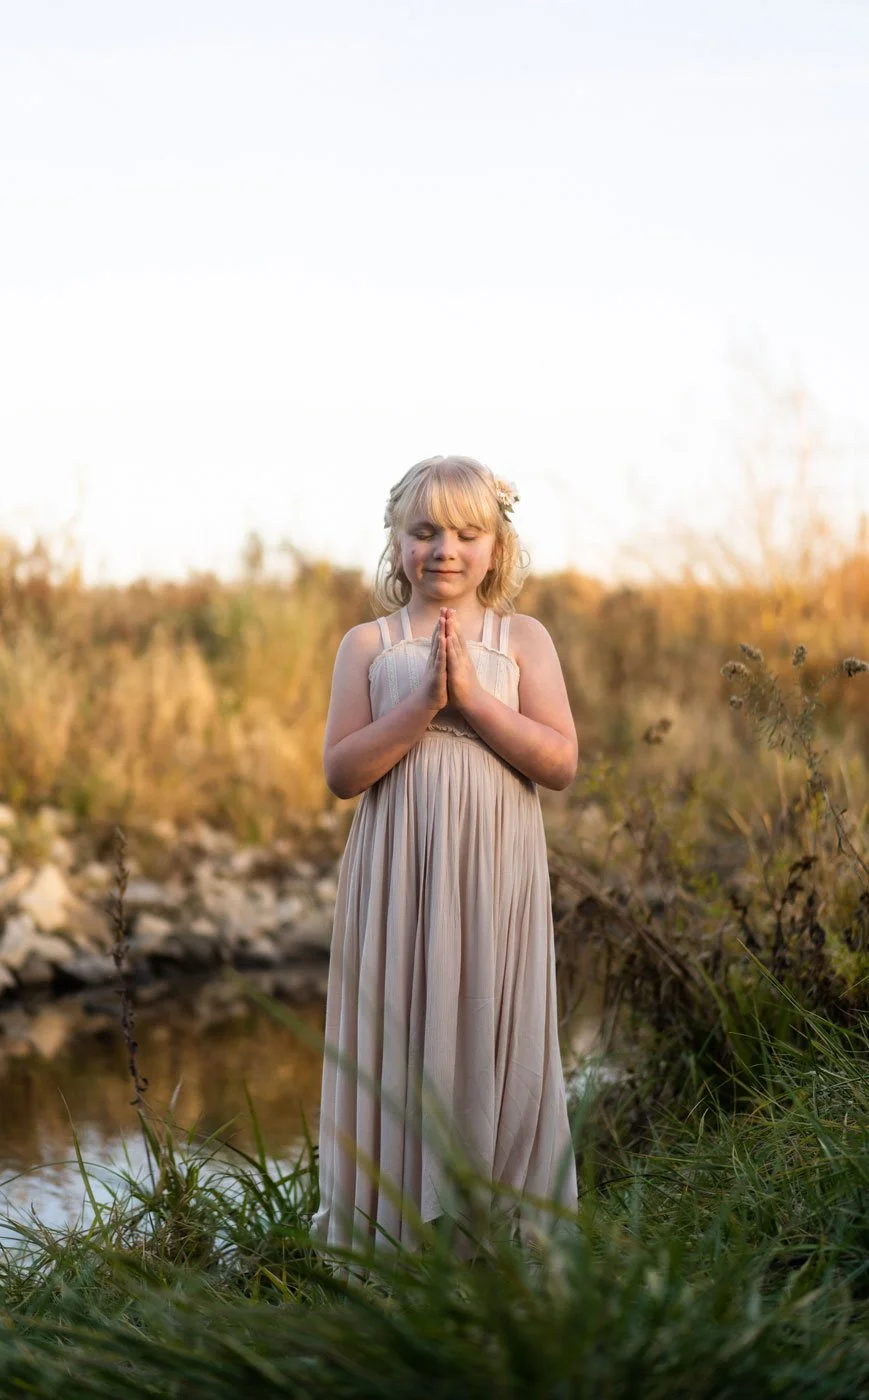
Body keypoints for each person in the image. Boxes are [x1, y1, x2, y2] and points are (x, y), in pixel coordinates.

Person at [310, 454, 578, 1262]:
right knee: (401, 1021)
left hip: (495, 867)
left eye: (466, 533)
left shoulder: (521, 638)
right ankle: (391, 1229)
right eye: (424, 532)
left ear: (496, 547)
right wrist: (423, 702)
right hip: (397, 868)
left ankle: (500, 1226)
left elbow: (559, 762)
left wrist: (471, 698)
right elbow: (341, 773)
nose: (445, 550)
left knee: (490, 1017)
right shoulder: (368, 643)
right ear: (396, 544)